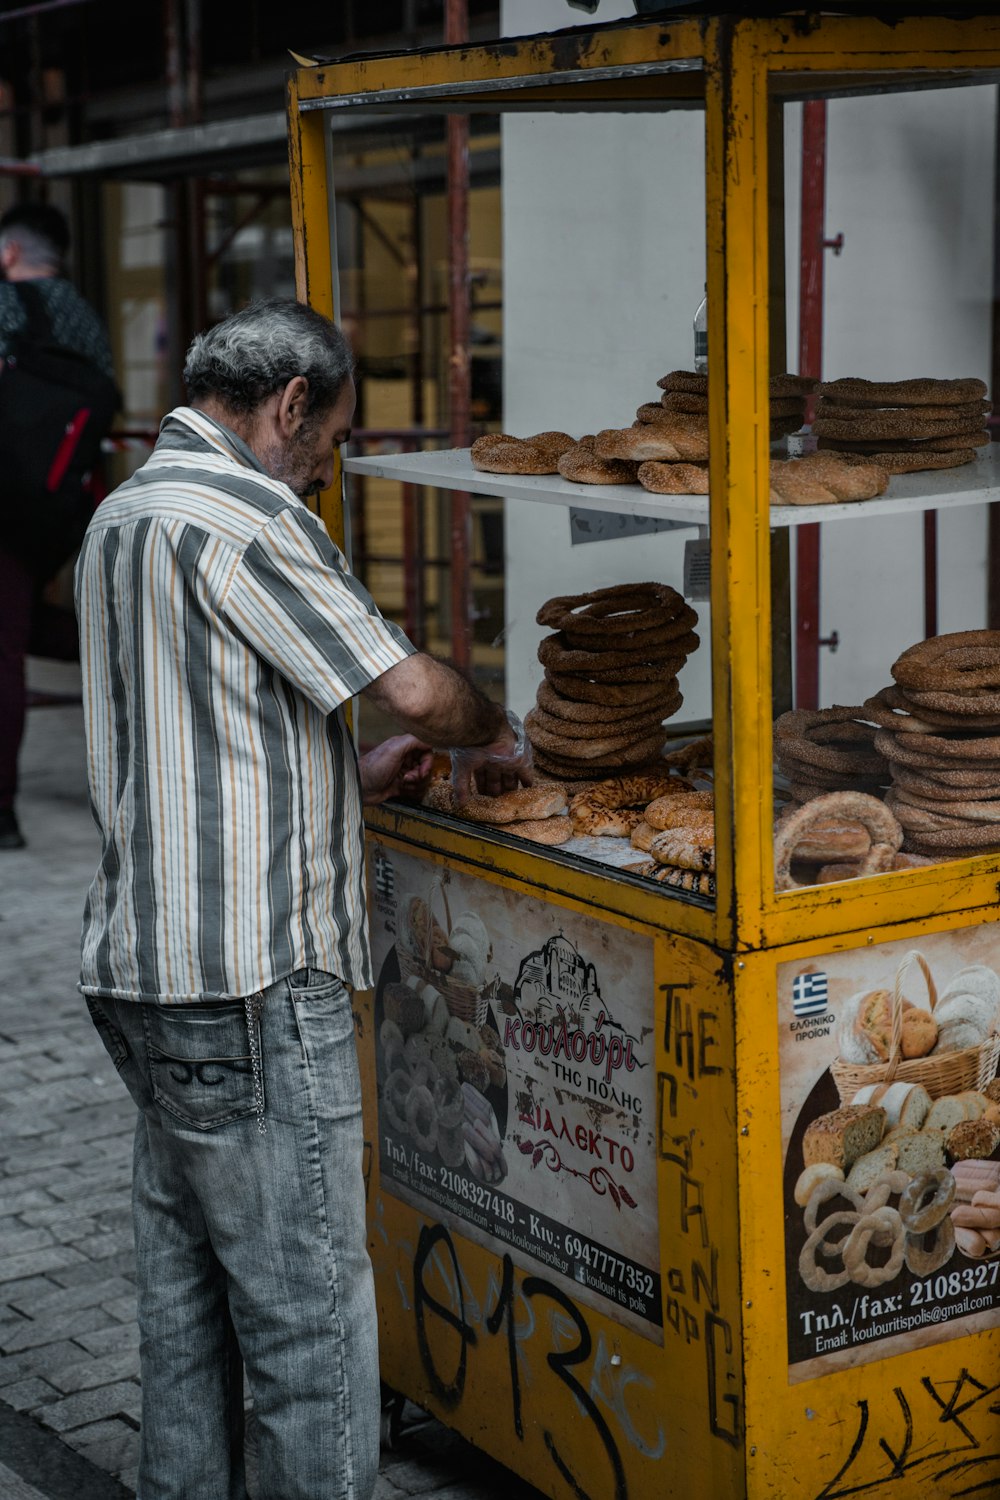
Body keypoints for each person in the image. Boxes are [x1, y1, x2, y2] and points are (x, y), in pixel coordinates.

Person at [75, 297, 530, 1500]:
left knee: (188, 1300)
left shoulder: (126, 513)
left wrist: (347, 772)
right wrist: (496, 733)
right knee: (310, 1324)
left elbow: (201, 719)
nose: (324, 462)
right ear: (289, 405)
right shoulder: (247, 517)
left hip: (148, 967)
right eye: (327, 437)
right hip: (253, 979)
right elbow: (413, 690)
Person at [0, 202, 116, 850]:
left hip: (6, 505)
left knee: (4, 648)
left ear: (9, 254)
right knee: (21, 630)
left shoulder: (6, 308)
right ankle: (116, 646)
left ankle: (1, 812)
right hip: (61, 507)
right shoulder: (86, 319)